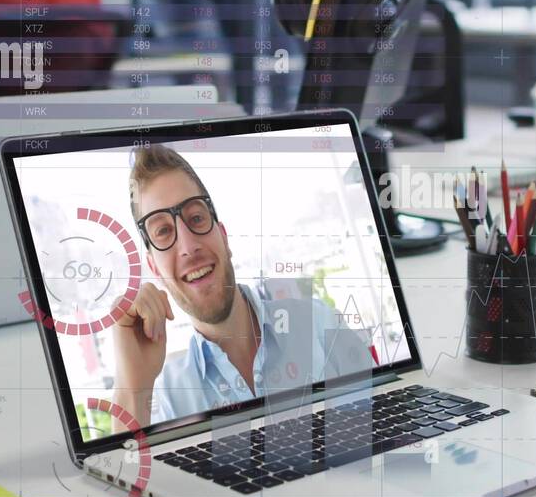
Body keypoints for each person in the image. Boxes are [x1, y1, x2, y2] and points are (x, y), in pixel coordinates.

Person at [110, 145, 373, 429]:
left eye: (196, 218)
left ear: (224, 237)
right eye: (163, 231)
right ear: (154, 269)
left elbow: (383, 425)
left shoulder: (318, 324)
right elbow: (129, 470)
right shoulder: (170, 399)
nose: (188, 246)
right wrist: (132, 387)